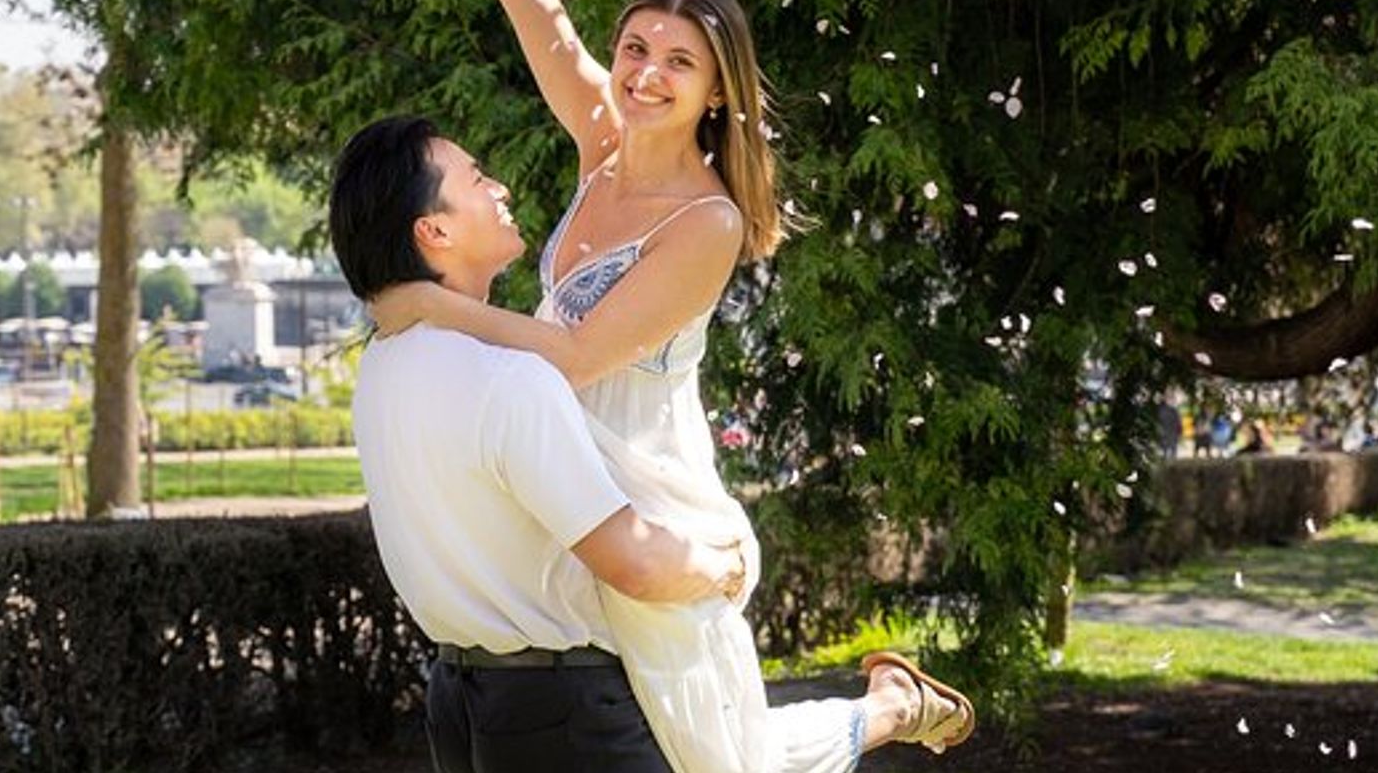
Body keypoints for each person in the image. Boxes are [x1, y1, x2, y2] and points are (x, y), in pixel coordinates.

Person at [367, 0, 974, 771]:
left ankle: (886, 712)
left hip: (652, 504)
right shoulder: (600, 140)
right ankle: (886, 709)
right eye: (636, 48)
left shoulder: (709, 224)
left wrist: (427, 302)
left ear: (716, 90)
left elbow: (571, 353)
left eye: (677, 62)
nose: (644, 73)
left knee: (722, 765)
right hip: (565, 482)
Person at [331, 117, 971, 773]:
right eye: (474, 178)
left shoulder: (381, 371)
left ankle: (889, 710)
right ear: (433, 231)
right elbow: (634, 562)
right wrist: (725, 566)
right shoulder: (512, 380)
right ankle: (889, 711)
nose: (498, 186)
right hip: (567, 713)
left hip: (459, 706)